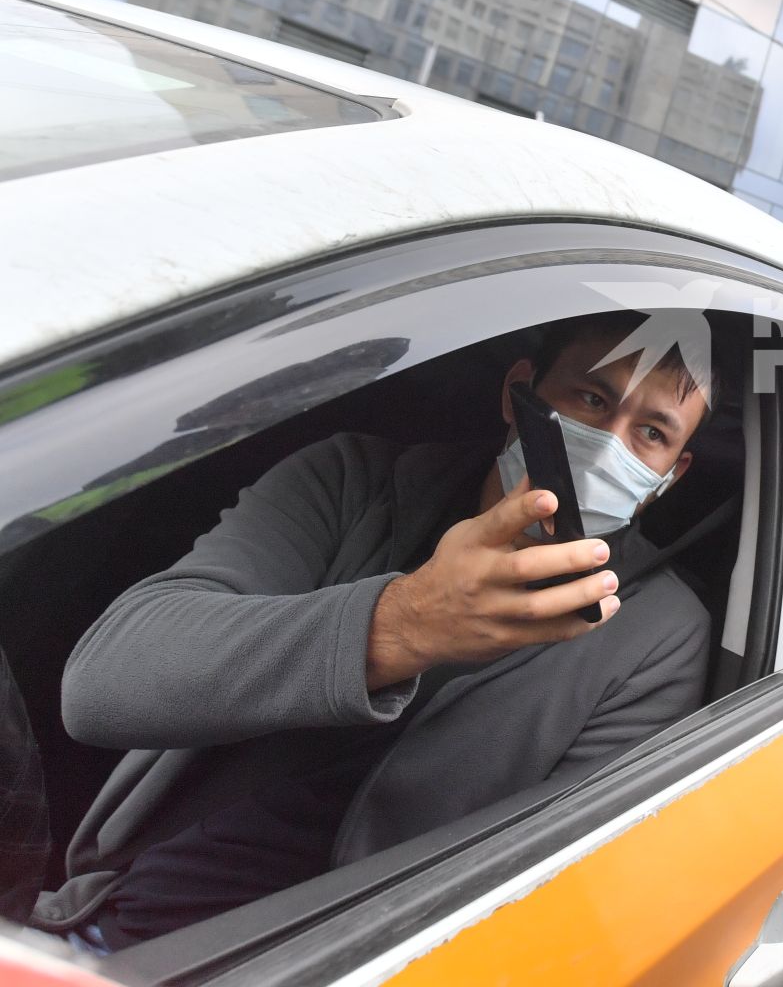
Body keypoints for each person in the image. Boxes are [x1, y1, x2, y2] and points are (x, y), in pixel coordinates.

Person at [34, 312, 713, 948]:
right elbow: (101, 685)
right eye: (591, 400)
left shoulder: (655, 636)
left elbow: (546, 895)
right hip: (118, 926)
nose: (605, 448)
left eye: (651, 434)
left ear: (669, 478)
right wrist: (399, 626)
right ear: (519, 394)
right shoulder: (351, 479)